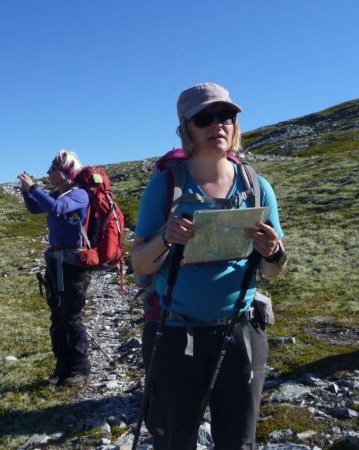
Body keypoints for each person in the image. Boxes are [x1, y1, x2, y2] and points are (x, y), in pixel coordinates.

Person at [131, 83, 286, 449]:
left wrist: (271, 250)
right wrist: (166, 238)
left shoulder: (258, 186)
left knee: (238, 440)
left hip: (241, 332)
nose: (218, 125)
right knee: (174, 438)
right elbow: (139, 263)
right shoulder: (164, 186)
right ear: (186, 129)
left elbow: (274, 270)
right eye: (205, 118)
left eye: (226, 116)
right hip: (175, 333)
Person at [18, 150, 92, 386]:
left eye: (54, 168)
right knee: (57, 316)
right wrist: (26, 192)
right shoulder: (59, 193)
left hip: (74, 263)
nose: (49, 172)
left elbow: (56, 209)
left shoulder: (79, 195)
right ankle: (62, 368)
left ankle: (79, 370)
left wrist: (33, 189)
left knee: (71, 317)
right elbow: (36, 208)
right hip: (56, 261)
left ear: (66, 172)